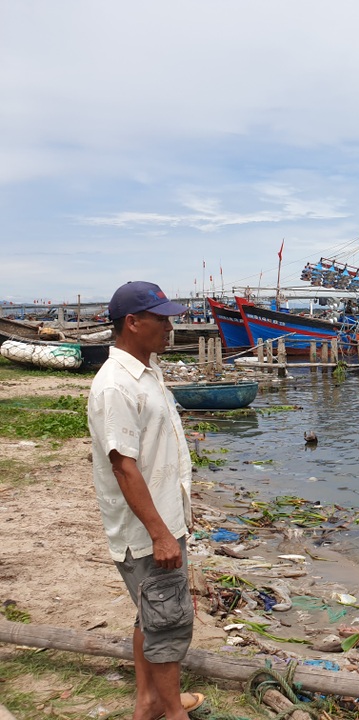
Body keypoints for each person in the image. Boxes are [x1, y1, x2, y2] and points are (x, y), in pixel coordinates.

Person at [87, 281, 201, 720]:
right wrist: (160, 533)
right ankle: (173, 713)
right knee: (169, 622)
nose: (171, 327)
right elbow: (124, 467)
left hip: (163, 520)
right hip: (149, 530)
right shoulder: (116, 385)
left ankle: (150, 700)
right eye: (162, 319)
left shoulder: (147, 371)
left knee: (150, 613)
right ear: (133, 323)